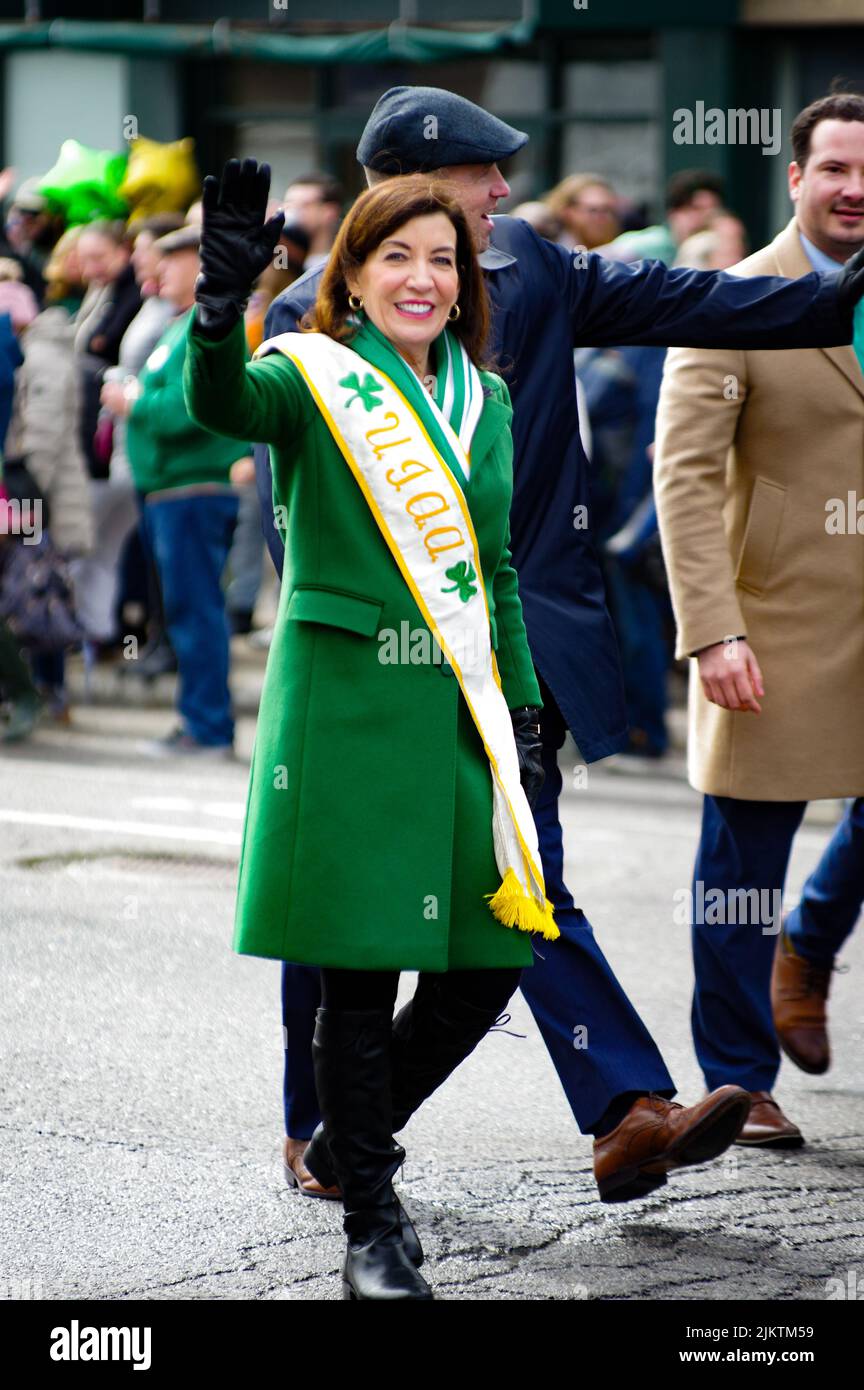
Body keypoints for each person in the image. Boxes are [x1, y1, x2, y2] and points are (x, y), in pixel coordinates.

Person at [257, 85, 864, 1208]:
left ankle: (625, 1111)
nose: (503, 190)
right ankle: (325, 1125)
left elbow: (687, 296)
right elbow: (293, 523)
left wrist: (839, 296)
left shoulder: (532, 264)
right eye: (483, 173)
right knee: (341, 907)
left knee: (523, 875)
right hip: (379, 672)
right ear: (413, 187)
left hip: (521, 654)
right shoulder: (312, 319)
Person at [182, 161, 590, 1300]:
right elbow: (222, 405)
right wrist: (219, 314)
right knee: (357, 974)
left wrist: (522, 708)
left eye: (444, 260)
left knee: (492, 960)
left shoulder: (488, 401)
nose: (423, 277)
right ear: (353, 278)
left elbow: (498, 568)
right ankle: (372, 1214)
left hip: (459, 712)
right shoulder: (310, 377)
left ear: (466, 286)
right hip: (347, 708)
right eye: (396, 256)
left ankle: (342, 1137)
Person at [653, 91, 864, 1145]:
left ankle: (812, 938)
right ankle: (741, 1077)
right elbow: (683, 476)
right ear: (795, 178)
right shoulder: (734, 296)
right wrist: (712, 627)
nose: (855, 188)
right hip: (769, 629)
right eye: (835, 168)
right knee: (742, 865)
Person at [106, 225, 247, 757]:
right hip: (173, 491)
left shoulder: (204, 328)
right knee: (188, 609)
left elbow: (193, 406)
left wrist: (133, 403)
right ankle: (199, 722)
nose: (158, 272)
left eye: (172, 261)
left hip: (193, 491)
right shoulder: (181, 325)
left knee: (196, 610)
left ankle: (207, 728)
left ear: (201, 266)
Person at [603, 169, 725, 266]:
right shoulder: (647, 245)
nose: (706, 217)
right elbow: (588, 265)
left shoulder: (722, 250)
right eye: (696, 209)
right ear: (673, 213)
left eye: (713, 210)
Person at [544, 172, 621, 250]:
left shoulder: (619, 252)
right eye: (593, 210)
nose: (602, 218)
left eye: (608, 210)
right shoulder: (551, 252)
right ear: (567, 211)